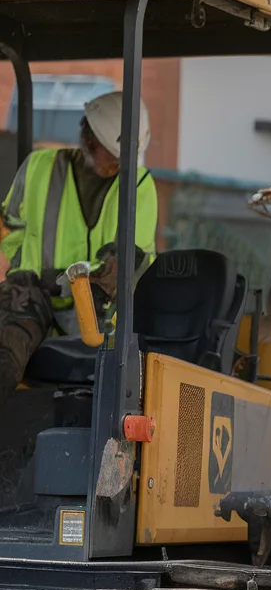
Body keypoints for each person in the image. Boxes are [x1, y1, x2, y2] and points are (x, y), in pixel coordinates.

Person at [0, 91, 157, 396]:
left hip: (98, 317)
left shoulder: (139, 186)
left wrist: (76, 280)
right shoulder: (38, 168)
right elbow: (8, 230)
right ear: (88, 138)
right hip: (32, 303)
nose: (117, 165)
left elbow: (124, 266)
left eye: (122, 158)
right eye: (111, 156)